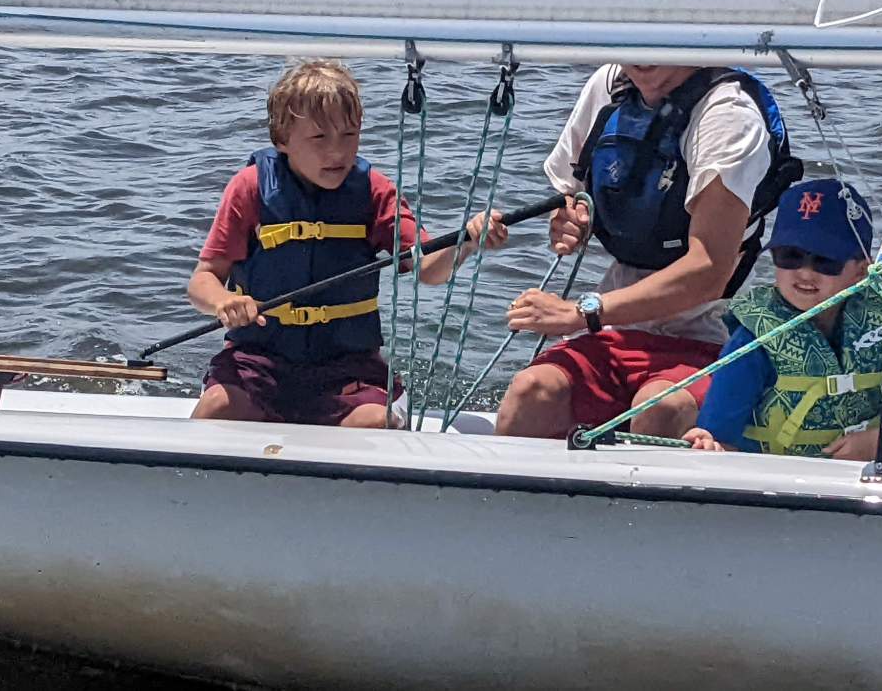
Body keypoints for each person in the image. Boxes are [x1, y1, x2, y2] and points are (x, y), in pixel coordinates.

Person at [188, 60, 506, 428]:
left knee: (373, 424)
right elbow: (202, 281)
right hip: (258, 360)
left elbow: (428, 268)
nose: (337, 152)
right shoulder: (250, 187)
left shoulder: (374, 191)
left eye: (349, 135)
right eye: (320, 138)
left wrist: (468, 240)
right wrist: (224, 301)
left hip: (347, 369)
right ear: (282, 139)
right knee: (216, 410)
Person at [496, 64, 802, 439]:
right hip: (616, 332)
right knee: (531, 393)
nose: (642, 61)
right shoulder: (610, 86)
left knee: (659, 408)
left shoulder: (728, 116)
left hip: (705, 333)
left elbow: (709, 270)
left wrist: (580, 313)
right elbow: (572, 193)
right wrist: (571, 220)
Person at [682, 178, 882, 460]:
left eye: (825, 261)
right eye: (790, 256)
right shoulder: (753, 340)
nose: (805, 273)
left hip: (856, 485)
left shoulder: (879, 331)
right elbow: (718, 440)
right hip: (773, 485)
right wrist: (708, 445)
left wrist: (876, 444)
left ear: (861, 271)